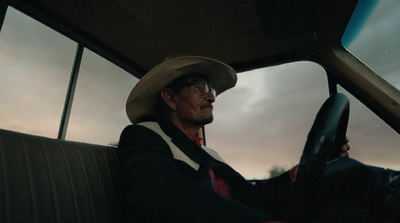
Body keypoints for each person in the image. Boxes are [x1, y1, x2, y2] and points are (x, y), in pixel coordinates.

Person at [118, 56, 399, 223]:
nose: (212, 96)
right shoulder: (143, 136)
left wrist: (301, 172)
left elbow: (251, 196)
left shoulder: (211, 155)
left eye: (211, 88)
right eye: (201, 87)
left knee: (344, 174)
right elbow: (162, 196)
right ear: (170, 98)